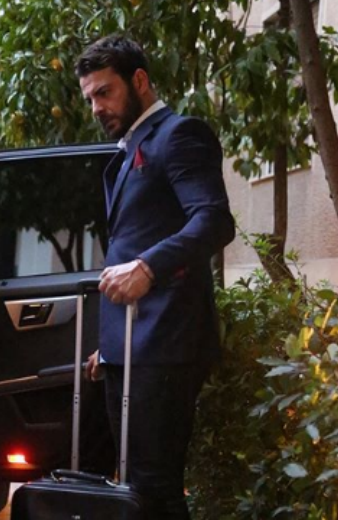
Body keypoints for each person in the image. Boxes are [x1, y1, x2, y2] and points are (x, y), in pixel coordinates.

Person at [75, 35, 236, 520]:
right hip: (132, 347)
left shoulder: (179, 134)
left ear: (140, 80)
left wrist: (148, 267)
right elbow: (137, 235)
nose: (96, 108)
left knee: (155, 489)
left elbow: (214, 221)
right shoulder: (131, 149)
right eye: (90, 99)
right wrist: (111, 346)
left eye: (104, 92)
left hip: (167, 346)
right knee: (136, 489)